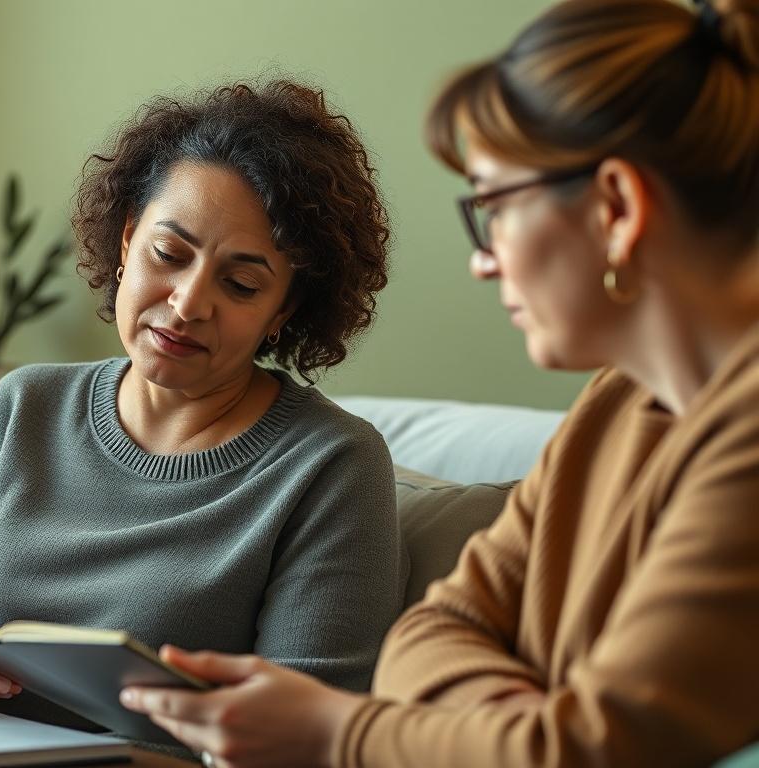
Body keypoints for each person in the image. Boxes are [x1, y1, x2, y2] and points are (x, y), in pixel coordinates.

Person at [120, 1, 759, 765]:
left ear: (616, 208)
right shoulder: (615, 404)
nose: (482, 261)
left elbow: (599, 748)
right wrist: (519, 734)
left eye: (492, 209)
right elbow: (434, 629)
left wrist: (338, 732)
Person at [0, 80, 405, 728]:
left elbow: (307, 733)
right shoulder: (23, 407)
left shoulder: (331, 465)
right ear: (126, 243)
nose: (189, 302)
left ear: (284, 311)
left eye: (242, 283)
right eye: (169, 254)